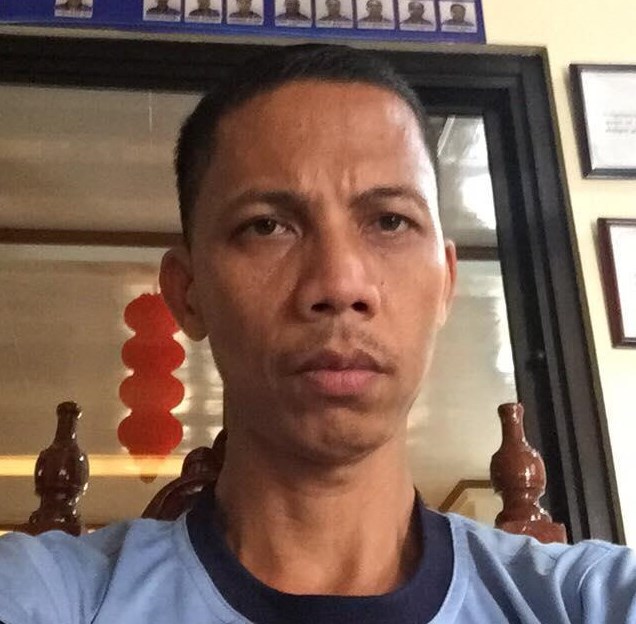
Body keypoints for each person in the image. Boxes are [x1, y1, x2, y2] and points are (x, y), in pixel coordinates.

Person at [0, 45, 635, 624]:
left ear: (445, 282)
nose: (339, 283)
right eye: (266, 226)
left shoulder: (582, 601)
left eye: (390, 221)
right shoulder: (58, 595)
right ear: (188, 293)